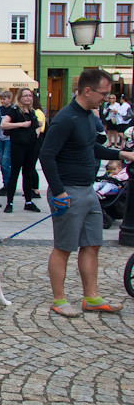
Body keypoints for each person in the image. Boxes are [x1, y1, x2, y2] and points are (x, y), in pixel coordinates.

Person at [40, 69, 130, 316]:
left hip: (88, 190)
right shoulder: (66, 118)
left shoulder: (90, 117)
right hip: (67, 191)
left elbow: (92, 148)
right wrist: (58, 192)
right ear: (88, 91)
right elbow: (46, 156)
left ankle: (91, 298)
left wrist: (122, 154)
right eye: (103, 93)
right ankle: (59, 300)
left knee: (92, 244)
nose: (106, 98)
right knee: (64, 247)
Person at [1, 88, 40, 214]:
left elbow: (35, 126)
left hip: (31, 145)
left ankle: (28, 201)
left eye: (30, 96)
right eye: (25, 96)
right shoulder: (15, 111)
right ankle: (9, 202)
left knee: (28, 173)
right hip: (18, 146)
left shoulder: (32, 111)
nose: (28, 98)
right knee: (15, 173)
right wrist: (21, 125)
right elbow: (4, 124)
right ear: (20, 98)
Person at [0, 90, 14, 197]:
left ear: (10, 99)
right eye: (1, 99)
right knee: (1, 162)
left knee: (6, 161)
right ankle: (5, 184)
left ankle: (8, 185)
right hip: (0, 138)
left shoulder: (13, 110)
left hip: (8, 139)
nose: (3, 101)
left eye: (5, 99)